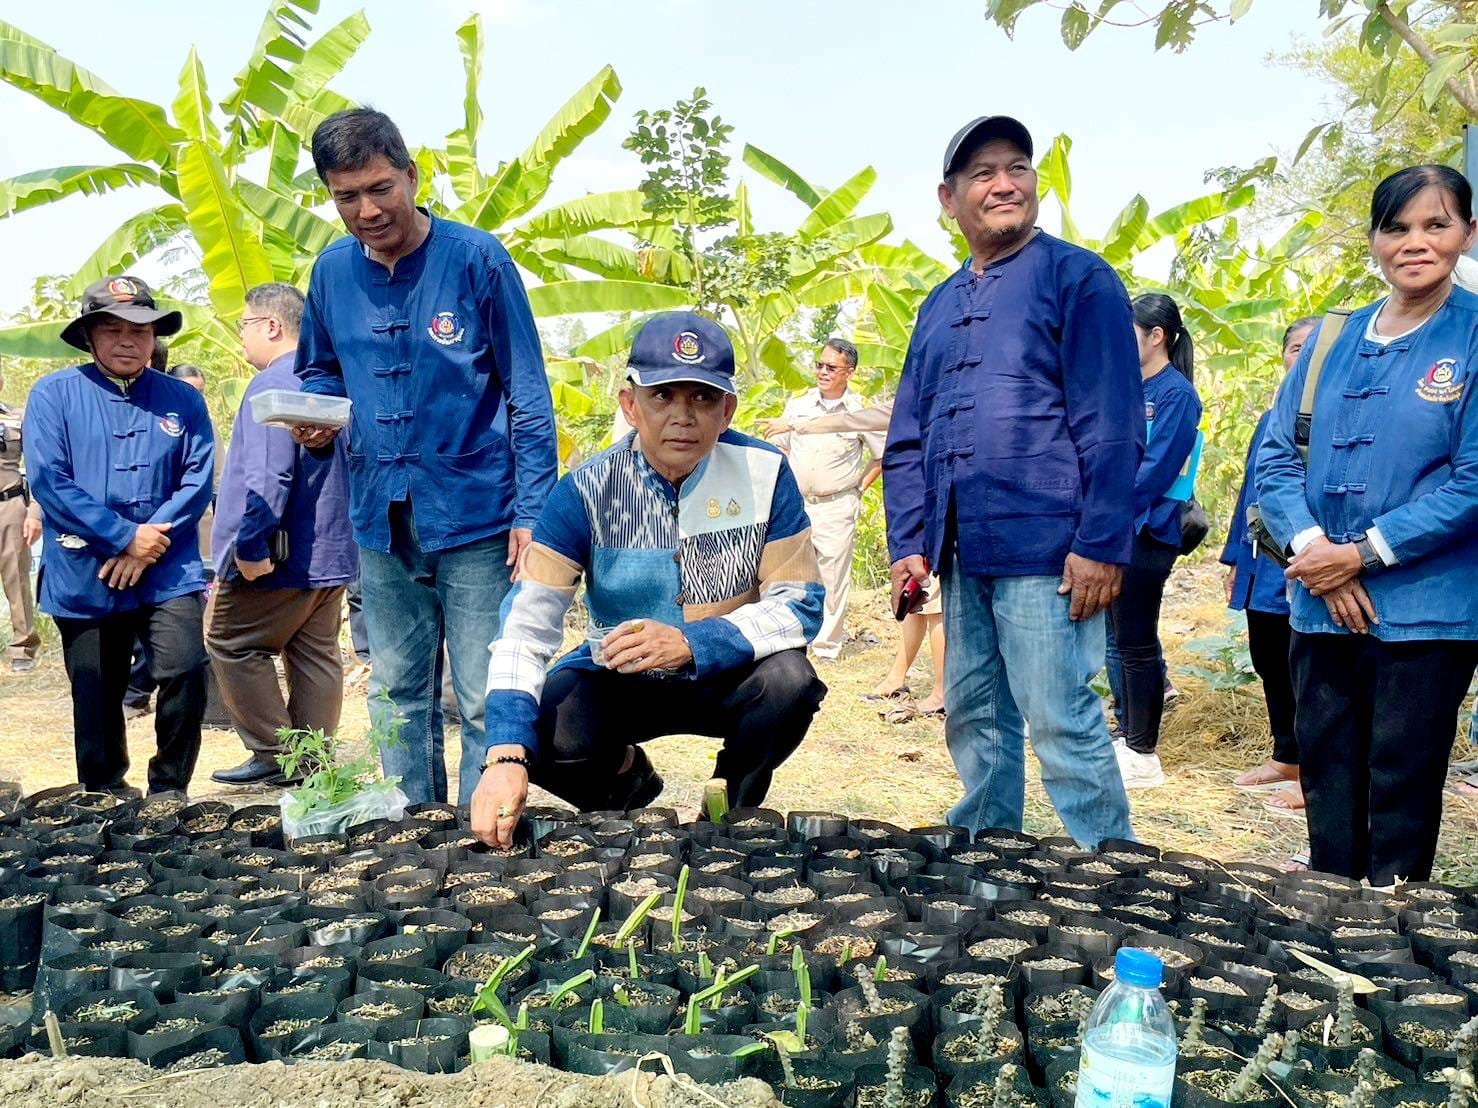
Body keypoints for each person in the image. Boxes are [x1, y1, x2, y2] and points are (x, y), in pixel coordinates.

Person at [471, 313, 826, 847]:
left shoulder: (765, 473)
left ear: (727, 410)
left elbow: (799, 603)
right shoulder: (585, 490)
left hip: (729, 673)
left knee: (790, 682)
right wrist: (503, 754)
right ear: (630, 404)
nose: (683, 417)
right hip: (624, 678)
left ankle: (731, 805)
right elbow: (525, 626)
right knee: (538, 724)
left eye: (703, 399)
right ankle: (625, 785)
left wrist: (691, 642)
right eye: (663, 397)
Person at [884, 115, 1141, 845]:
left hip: (1051, 553)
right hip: (963, 554)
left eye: (1018, 168)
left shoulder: (1078, 278)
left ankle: (1111, 865)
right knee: (973, 712)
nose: (1005, 184)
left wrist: (1101, 542)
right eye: (984, 174)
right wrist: (909, 540)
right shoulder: (937, 305)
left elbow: (1114, 422)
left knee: (1060, 714)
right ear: (949, 197)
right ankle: (987, 848)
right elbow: (908, 435)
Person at [293, 109, 558, 806]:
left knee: (480, 692)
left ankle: (479, 838)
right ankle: (408, 830)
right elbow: (318, 372)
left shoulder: (477, 259)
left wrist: (532, 511)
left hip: (475, 516)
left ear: (411, 176)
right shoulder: (330, 275)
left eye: (381, 188)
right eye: (346, 196)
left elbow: (527, 394)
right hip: (380, 518)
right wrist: (316, 420)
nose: (368, 210)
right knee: (396, 689)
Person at [1255, 165, 1478, 884]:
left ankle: (1391, 938)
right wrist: (1316, 548)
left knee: (1400, 784)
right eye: (1397, 227)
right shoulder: (1329, 340)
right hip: (1318, 600)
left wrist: (1363, 555)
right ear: (1375, 241)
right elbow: (1275, 458)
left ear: (1467, 234)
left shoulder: (1472, 338)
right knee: (1327, 774)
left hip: (1426, 610)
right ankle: (1329, 930)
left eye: (1436, 225)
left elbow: (1473, 480)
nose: (1416, 242)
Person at [23, 276, 214, 794]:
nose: (129, 340)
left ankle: (170, 789)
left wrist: (146, 543)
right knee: (97, 691)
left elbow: (197, 480)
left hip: (167, 565)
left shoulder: (182, 400)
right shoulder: (54, 396)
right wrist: (121, 537)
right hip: (86, 567)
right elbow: (49, 481)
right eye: (112, 330)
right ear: (89, 337)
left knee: (185, 670)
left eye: (143, 330)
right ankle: (105, 791)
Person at [207, 283, 357, 786]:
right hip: (332, 551)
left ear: (271, 326)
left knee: (230, 641)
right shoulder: (332, 378)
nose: (243, 338)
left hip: (279, 552)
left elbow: (270, 473)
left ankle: (278, 753)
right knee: (314, 653)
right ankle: (311, 762)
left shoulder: (275, 381)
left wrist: (250, 545)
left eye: (244, 325)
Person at [762, 399, 948, 715]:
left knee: (934, 605)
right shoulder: (920, 397)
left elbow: (858, 423)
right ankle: (896, 677)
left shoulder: (943, 395)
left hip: (937, 507)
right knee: (914, 601)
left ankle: (943, 690)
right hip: (914, 514)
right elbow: (852, 421)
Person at [1109, 294, 1203, 789]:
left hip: (1149, 529)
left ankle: (1144, 753)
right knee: (1120, 640)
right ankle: (1127, 735)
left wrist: (1105, 506)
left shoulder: (1176, 396)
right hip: (1118, 528)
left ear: (1156, 336)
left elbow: (1154, 471)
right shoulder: (1128, 387)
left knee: (1138, 640)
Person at [1225, 317, 1317, 814]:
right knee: (1268, 660)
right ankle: (1287, 756)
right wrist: (1235, 559)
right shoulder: (1270, 417)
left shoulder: (1335, 410)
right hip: (1261, 564)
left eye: (1312, 348)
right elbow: (1250, 493)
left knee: (1308, 667)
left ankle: (1315, 773)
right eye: (1293, 348)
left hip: (1307, 562)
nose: (1300, 356)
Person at [765, 338, 883, 660]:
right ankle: (793, 638)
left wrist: (859, 488)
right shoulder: (799, 406)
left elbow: (881, 456)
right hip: (799, 503)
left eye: (831, 367)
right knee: (794, 573)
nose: (823, 372)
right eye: (820, 365)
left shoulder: (860, 412)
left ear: (850, 372)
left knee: (832, 577)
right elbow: (781, 445)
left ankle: (827, 647)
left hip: (837, 505)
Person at [0, 371, 39, 673]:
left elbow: (39, 465)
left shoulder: (18, 417)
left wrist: (35, 509)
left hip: (10, 505)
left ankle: (22, 648)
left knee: (17, 576)